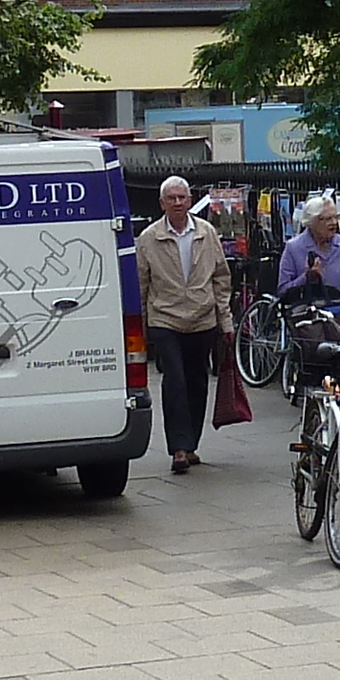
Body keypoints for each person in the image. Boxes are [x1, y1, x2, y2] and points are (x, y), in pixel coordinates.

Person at [137, 173, 226, 473]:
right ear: (162, 203)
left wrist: (225, 321)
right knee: (174, 379)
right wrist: (140, 327)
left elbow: (221, 278)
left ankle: (191, 445)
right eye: (172, 198)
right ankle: (177, 447)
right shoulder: (149, 238)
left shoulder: (206, 233)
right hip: (165, 318)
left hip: (202, 318)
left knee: (197, 380)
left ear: (190, 200)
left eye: (182, 197)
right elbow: (141, 283)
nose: (178, 203)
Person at [277, 191, 340, 322]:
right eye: (326, 219)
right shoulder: (294, 248)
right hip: (307, 318)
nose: (334, 223)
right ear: (311, 221)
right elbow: (282, 291)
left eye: (335, 217)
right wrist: (306, 278)